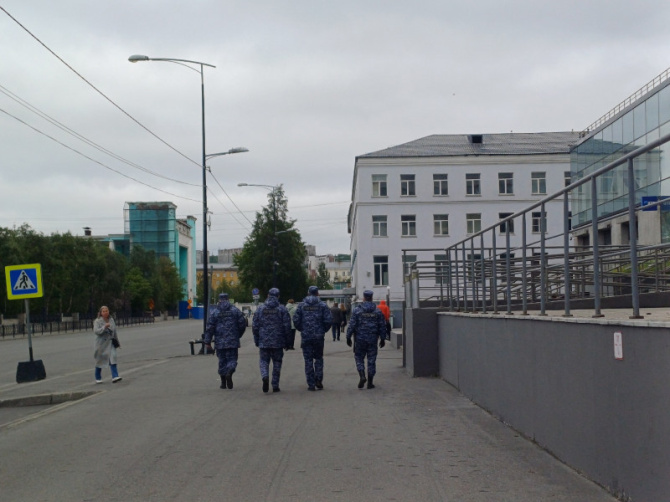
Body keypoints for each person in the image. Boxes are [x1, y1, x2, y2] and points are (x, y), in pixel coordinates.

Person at [204, 293, 247, 389]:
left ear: (219, 300)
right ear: (228, 299)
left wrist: (207, 342)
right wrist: (238, 335)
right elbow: (242, 324)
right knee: (232, 359)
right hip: (232, 341)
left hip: (220, 342)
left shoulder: (215, 312)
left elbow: (210, 328)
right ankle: (230, 372)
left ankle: (223, 383)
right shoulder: (235, 311)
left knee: (222, 361)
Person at [293, 286, 332, 391]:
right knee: (318, 358)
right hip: (319, 336)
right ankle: (318, 379)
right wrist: (323, 330)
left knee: (308, 360)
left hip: (306, 336)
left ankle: (311, 384)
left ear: (308, 293)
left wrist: (302, 329)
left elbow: (296, 320)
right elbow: (328, 320)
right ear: (317, 293)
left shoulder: (301, 305)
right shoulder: (323, 305)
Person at [252, 288, 291, 393]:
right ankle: (275, 385)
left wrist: (256, 339)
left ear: (268, 295)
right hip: (278, 341)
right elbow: (287, 326)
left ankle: (265, 376)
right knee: (277, 362)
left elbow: (255, 326)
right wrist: (288, 342)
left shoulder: (260, 308)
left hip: (264, 341)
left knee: (263, 361)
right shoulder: (282, 309)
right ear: (278, 296)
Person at [346, 290, 386, 389]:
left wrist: (348, 336)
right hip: (373, 339)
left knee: (359, 358)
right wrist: (383, 338)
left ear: (364, 298)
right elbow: (382, 326)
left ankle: (362, 376)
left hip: (360, 339)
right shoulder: (377, 311)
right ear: (371, 298)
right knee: (371, 360)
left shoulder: (357, 310)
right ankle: (370, 383)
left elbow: (352, 325)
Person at [93, 306, 122, 384]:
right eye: (104, 311)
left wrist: (117, 342)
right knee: (100, 360)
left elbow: (114, 332)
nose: (105, 312)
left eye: (107, 311)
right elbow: (96, 331)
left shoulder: (111, 320)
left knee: (113, 357)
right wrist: (104, 327)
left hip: (110, 342)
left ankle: (115, 376)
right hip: (101, 344)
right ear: (101, 313)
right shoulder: (97, 321)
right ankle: (98, 377)